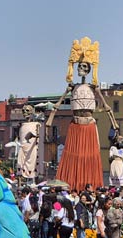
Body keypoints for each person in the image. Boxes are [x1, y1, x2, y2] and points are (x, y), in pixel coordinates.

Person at [47, 37, 119, 192]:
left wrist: (114, 125)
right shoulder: (73, 87)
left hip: (88, 124)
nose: (81, 69)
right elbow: (58, 104)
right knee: (73, 156)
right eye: (80, 65)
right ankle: (72, 183)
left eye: (85, 66)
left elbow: (107, 107)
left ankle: (86, 185)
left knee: (89, 156)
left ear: (89, 69)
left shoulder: (93, 88)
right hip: (76, 124)